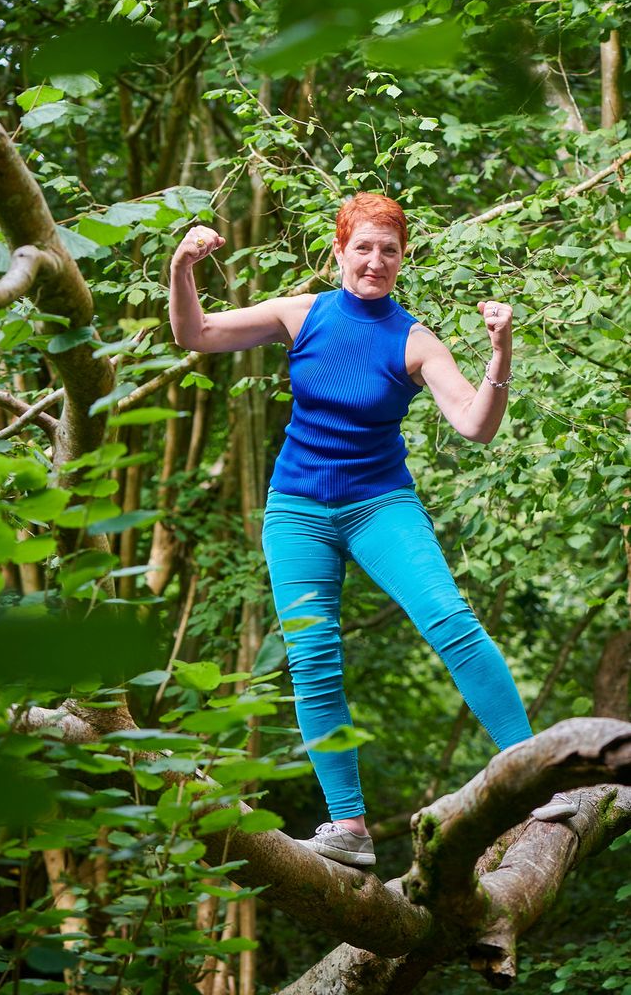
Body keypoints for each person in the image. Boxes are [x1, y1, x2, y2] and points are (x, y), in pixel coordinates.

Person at [169, 192, 577, 867]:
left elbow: (474, 426)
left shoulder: (413, 340)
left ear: (401, 257)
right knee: (313, 659)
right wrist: (182, 265)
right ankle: (349, 829)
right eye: (362, 246)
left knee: (450, 619)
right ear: (339, 251)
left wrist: (499, 351)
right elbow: (196, 334)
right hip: (296, 510)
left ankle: (534, 780)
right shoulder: (300, 314)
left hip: (379, 504)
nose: (375, 260)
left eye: (388, 249)